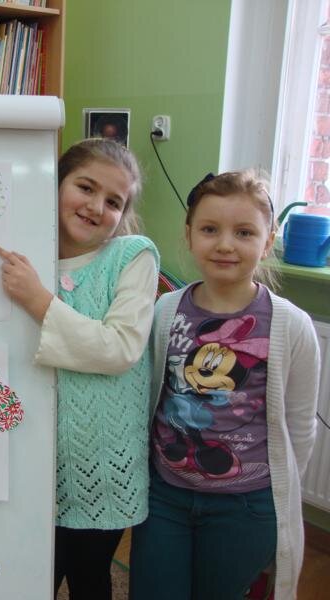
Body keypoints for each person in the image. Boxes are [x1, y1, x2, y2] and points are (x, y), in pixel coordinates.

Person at [129, 170, 320, 600]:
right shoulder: (164, 310)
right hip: (165, 498)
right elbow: (150, 397)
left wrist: (277, 495)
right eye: (210, 229)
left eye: (244, 232)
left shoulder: (291, 326)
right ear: (189, 235)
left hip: (245, 507)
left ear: (268, 241)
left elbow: (299, 428)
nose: (225, 244)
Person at [0, 138, 160, 599]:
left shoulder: (133, 256)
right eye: (85, 187)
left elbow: (120, 348)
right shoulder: (27, 254)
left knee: (89, 580)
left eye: (114, 201)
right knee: (29, 578)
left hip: (100, 468)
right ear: (56, 183)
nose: (96, 207)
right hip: (29, 460)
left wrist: (39, 300)